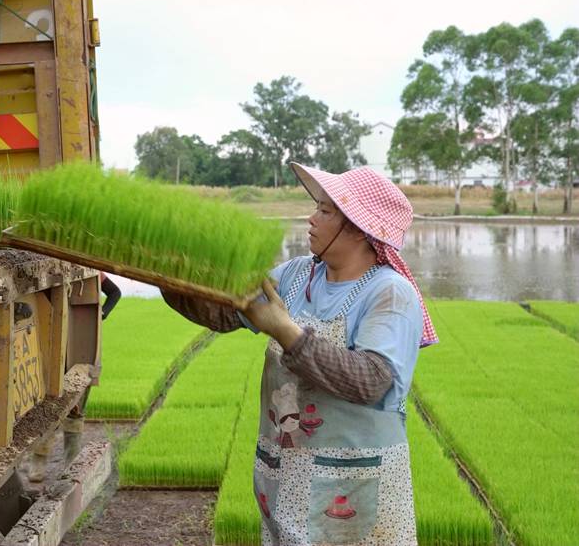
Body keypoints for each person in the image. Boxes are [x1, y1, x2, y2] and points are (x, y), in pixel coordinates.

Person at [162, 162, 437, 546]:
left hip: (353, 483)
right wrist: (166, 275)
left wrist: (284, 329)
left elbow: (371, 380)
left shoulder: (389, 293)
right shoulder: (297, 275)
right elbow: (225, 312)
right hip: (286, 474)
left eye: (325, 211)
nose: (312, 219)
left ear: (358, 228)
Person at [27, 273, 122, 483]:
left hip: (81, 347)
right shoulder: (49, 272)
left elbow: (115, 292)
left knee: (76, 408)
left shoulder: (91, 272)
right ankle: (39, 461)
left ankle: (71, 462)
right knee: (47, 407)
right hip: (52, 349)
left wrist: (102, 314)